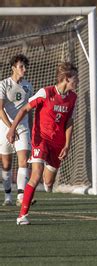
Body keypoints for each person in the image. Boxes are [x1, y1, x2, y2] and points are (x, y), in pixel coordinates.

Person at [8, 62, 78, 225]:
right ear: (66, 79)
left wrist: (67, 145)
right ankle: (22, 215)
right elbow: (24, 109)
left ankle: (45, 184)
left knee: (48, 182)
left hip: (58, 143)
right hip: (41, 139)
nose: (77, 80)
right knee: (36, 174)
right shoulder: (46, 93)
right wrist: (12, 129)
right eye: (75, 77)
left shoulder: (73, 98)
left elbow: (69, 122)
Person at [0, 54, 33, 206]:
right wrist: (9, 128)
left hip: (22, 127)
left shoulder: (28, 86)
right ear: (13, 68)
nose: (24, 69)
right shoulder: (3, 85)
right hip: (4, 127)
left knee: (23, 161)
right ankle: (8, 196)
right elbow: (0, 109)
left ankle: (21, 196)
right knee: (6, 164)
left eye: (25, 66)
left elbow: (29, 109)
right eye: (21, 66)